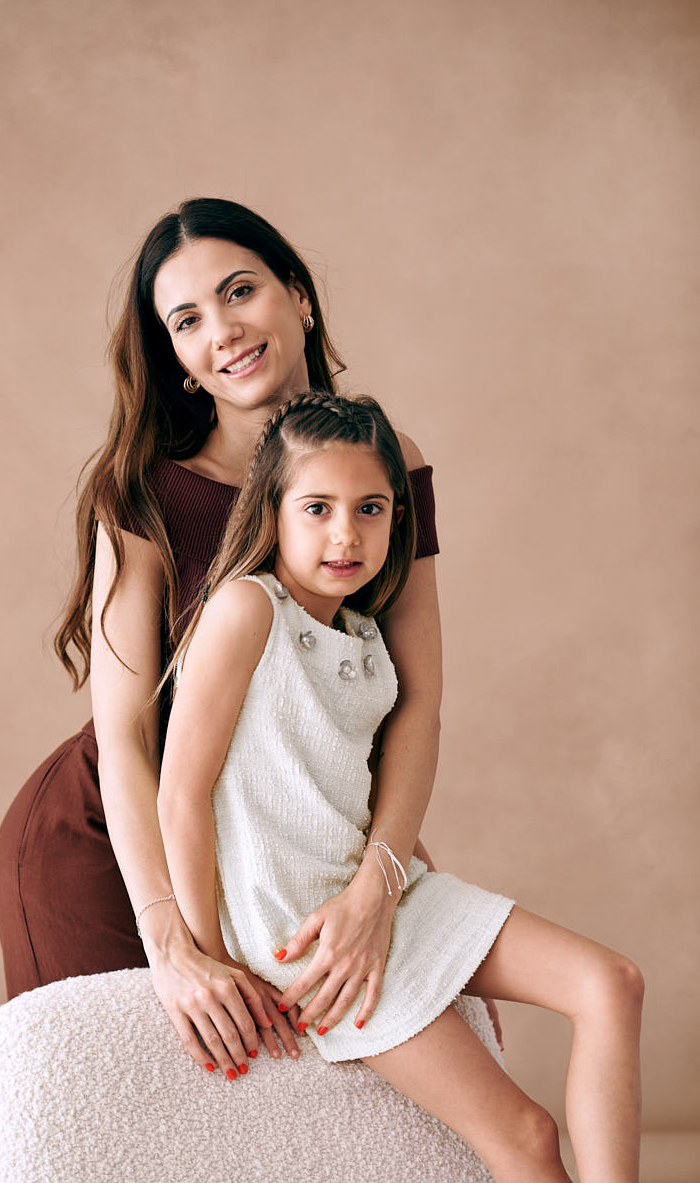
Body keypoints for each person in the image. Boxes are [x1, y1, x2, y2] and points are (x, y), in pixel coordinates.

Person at [0, 196, 488, 1073]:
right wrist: (170, 939)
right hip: (117, 839)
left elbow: (415, 705)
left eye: (239, 292)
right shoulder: (143, 492)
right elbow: (127, 734)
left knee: (423, 1052)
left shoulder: (391, 467)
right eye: (187, 320)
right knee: (111, 1110)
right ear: (176, 356)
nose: (222, 331)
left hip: (284, 825)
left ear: (298, 297)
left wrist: (381, 879)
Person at [158, 391, 644, 1183]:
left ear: (395, 520)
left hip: (382, 892)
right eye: (316, 507)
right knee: (523, 1134)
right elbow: (180, 793)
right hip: (303, 931)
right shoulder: (247, 610)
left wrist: (396, 891)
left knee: (610, 982)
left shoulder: (362, 637)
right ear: (272, 512)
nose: (345, 534)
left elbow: (363, 788)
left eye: (370, 509)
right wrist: (218, 959)